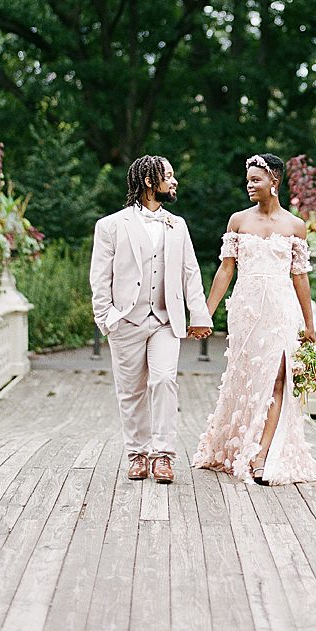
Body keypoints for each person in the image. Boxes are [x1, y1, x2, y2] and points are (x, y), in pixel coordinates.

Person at [192, 152, 316, 485]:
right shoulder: (238, 221)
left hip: (282, 310)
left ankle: (261, 454)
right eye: (248, 179)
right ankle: (237, 444)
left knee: (278, 378)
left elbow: (300, 276)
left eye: (256, 179)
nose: (249, 185)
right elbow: (226, 270)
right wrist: (204, 313)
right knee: (249, 379)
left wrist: (309, 325)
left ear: (274, 181)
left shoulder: (296, 226)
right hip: (247, 310)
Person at [88, 155, 213, 485]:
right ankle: (137, 454)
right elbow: (99, 278)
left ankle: (163, 455)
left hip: (164, 321)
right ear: (148, 181)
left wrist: (199, 315)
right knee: (130, 391)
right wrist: (108, 318)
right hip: (126, 321)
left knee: (163, 381)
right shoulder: (111, 226)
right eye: (168, 176)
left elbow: (190, 273)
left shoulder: (177, 225)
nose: (174, 182)